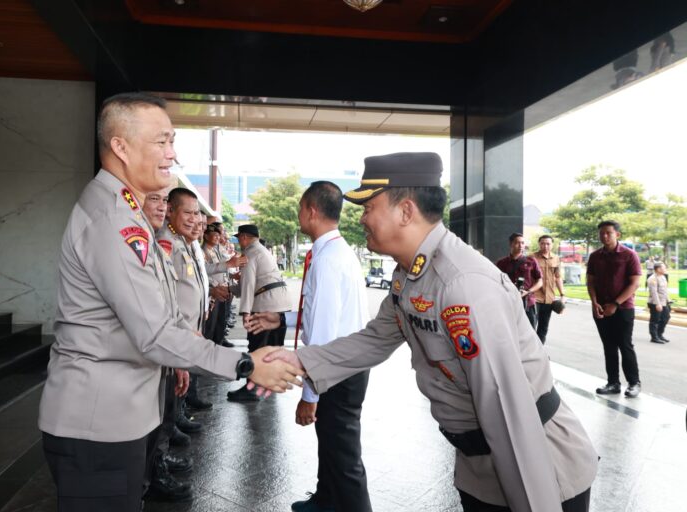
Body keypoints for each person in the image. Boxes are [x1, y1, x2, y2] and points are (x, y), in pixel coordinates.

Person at [253, 152, 598, 512]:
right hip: (480, 466)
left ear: (405, 211)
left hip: (537, 467)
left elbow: (507, 412)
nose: (362, 217)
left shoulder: (462, 284)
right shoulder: (410, 273)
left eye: (369, 206)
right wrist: (298, 360)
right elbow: (375, 338)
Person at [37, 92, 303, 512]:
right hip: (97, 423)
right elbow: (154, 332)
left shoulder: (127, 211)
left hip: (119, 415)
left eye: (172, 141)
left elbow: (162, 312)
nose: (172, 154)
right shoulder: (112, 219)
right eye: (161, 141)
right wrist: (246, 364)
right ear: (120, 147)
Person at [255, 181, 372, 512]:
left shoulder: (327, 260)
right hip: (343, 364)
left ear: (311, 210)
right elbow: (319, 312)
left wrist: (309, 397)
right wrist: (280, 320)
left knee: (344, 453)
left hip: (337, 370)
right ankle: (326, 500)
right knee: (332, 444)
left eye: (300, 209)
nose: (298, 215)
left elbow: (321, 334)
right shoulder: (334, 252)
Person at [141, 188, 193, 501]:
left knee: (163, 411)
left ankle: (155, 468)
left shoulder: (167, 244)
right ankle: (152, 475)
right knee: (156, 416)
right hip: (158, 346)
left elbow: (173, 302)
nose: (161, 207)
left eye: (164, 201)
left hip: (173, 341)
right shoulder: (155, 243)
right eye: (155, 200)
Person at [159, 187, 212, 421]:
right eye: (188, 213)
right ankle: (162, 450)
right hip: (174, 332)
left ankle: (172, 429)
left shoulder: (180, 241)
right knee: (167, 393)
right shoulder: (166, 242)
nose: (194, 220)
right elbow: (164, 298)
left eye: (196, 214)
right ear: (170, 210)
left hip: (188, 328)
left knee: (176, 389)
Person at [227, 224, 290, 402]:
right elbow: (249, 283)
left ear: (245, 237)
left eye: (239, 237)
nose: (238, 241)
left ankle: (252, 388)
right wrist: (231, 288)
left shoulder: (249, 254)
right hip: (278, 304)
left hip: (264, 306)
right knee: (273, 348)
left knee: (256, 349)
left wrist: (246, 312)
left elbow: (247, 285)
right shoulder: (262, 250)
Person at [586, 220, 642, 398]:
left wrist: (616, 304)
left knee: (625, 345)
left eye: (608, 233)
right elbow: (591, 282)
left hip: (623, 308)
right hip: (601, 308)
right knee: (608, 346)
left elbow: (634, 284)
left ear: (617, 234)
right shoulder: (595, 256)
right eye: (601, 233)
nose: (604, 236)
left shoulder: (629, 255)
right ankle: (613, 383)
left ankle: (634, 383)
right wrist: (594, 303)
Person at [495, 233, 543, 330]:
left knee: (530, 332)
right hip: (508, 302)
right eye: (517, 243)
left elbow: (540, 281)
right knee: (509, 331)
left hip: (527, 302)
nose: (521, 245)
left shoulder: (531, 261)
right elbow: (496, 282)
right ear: (511, 244)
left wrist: (528, 291)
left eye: (522, 243)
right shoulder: (502, 263)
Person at [532, 235, 566, 344]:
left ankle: (540, 351)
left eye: (548, 244)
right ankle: (529, 352)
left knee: (543, 327)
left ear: (552, 245)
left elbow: (558, 277)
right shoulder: (531, 258)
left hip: (549, 298)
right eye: (542, 243)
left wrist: (562, 294)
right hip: (534, 297)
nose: (545, 246)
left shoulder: (556, 258)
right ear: (539, 244)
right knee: (531, 325)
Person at [647, 262, 671, 344]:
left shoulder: (663, 277)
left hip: (664, 302)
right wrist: (658, 304)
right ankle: (654, 337)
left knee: (666, 317)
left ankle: (659, 334)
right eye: (664, 268)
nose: (665, 269)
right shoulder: (652, 279)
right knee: (655, 320)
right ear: (658, 269)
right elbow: (654, 293)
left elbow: (665, 290)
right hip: (655, 303)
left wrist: (669, 299)